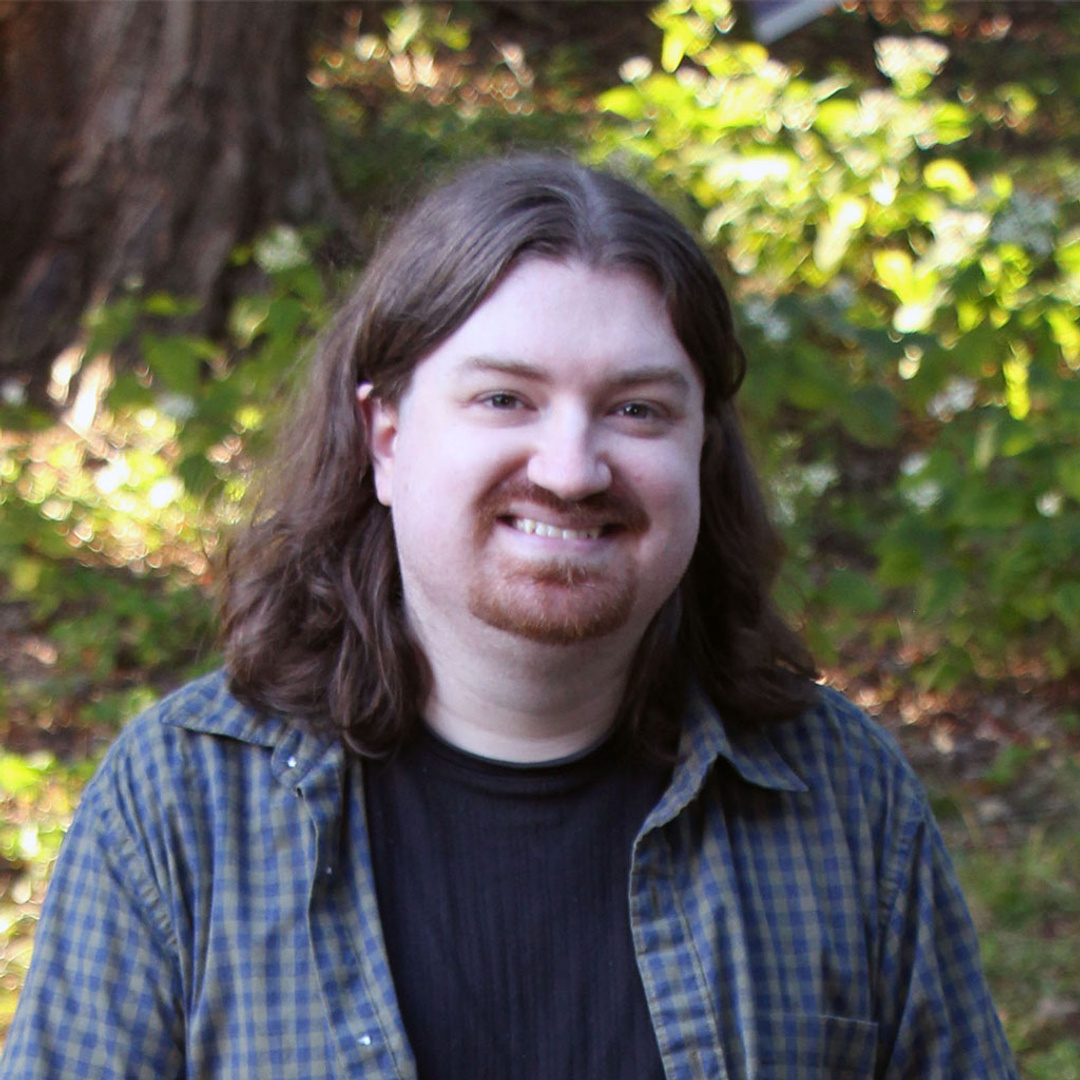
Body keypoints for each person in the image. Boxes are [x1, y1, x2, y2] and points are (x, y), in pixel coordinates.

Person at [1, 154, 1017, 1079]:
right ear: (385, 436)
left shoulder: (840, 796)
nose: (571, 470)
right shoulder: (182, 807)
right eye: (505, 399)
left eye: (638, 409)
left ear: (702, 451)